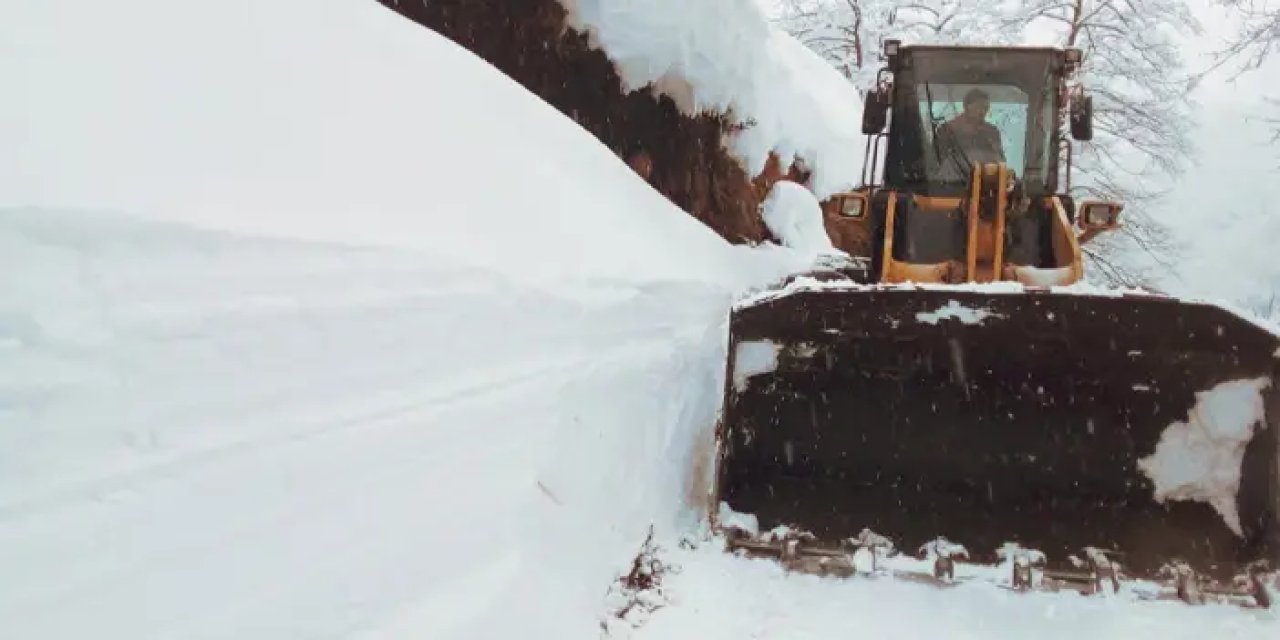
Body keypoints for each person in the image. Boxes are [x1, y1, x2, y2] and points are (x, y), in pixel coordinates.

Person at [934, 88, 1006, 168]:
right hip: (953, 179)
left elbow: (1001, 162)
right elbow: (937, 164)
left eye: (986, 108)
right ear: (966, 106)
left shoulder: (992, 132)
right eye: (979, 106)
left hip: (986, 179)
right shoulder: (946, 130)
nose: (982, 111)